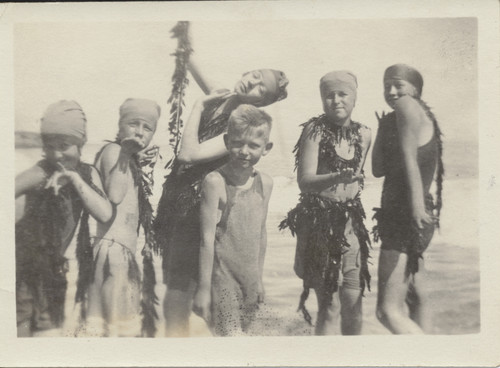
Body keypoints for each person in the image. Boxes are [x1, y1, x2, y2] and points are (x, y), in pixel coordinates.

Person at [153, 29, 289, 337]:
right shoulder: (224, 95)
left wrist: (199, 107)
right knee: (177, 287)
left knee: (180, 291)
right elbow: (189, 59)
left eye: (259, 89)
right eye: (253, 76)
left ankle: (182, 347)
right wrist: (183, 34)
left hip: (197, 207)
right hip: (177, 202)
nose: (251, 84)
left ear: (263, 103)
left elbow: (187, 155)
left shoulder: (238, 127)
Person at [280, 71, 371, 335]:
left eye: (343, 94)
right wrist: (336, 177)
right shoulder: (315, 130)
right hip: (319, 225)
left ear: (354, 97)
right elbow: (305, 181)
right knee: (329, 306)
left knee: (354, 306)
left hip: (351, 226)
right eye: (328, 95)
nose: (336, 100)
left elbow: (360, 179)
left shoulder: (365, 133)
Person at [15, 100, 112, 337]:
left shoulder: (87, 175)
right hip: (23, 274)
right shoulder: (41, 172)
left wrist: (75, 180)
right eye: (49, 146)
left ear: (82, 144)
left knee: (48, 340)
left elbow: (105, 213)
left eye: (64, 145)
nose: (56, 154)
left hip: (54, 274)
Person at [372, 64, 444, 334]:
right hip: (418, 216)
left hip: (405, 216)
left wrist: (413, 209)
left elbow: (409, 161)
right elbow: (378, 169)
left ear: (414, 89)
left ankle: (432, 359)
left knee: (387, 311)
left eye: (398, 85)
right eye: (386, 85)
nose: (391, 91)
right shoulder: (410, 115)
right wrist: (382, 128)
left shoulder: (406, 106)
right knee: (416, 298)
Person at [192, 105, 274, 336]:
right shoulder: (215, 181)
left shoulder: (265, 183)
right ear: (227, 141)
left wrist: (258, 279)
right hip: (222, 279)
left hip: (248, 279)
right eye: (238, 143)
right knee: (231, 339)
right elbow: (206, 240)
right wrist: (204, 289)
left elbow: (261, 233)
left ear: (266, 148)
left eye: (254, 145)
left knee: (244, 341)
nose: (244, 151)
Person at [86, 98, 161, 337]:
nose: (139, 131)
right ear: (119, 126)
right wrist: (125, 155)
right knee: (120, 332)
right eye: (133, 124)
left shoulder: (126, 158)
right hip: (112, 251)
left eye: (147, 127)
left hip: (118, 252)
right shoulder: (114, 151)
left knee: (106, 329)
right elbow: (115, 196)